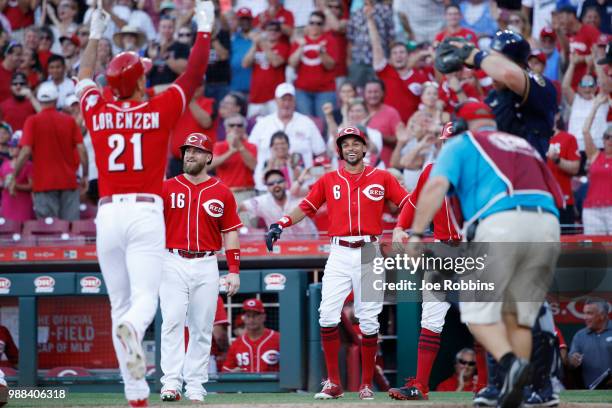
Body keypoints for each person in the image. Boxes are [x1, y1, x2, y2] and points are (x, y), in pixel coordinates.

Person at [73, 1, 213, 406]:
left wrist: (95, 34)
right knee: (143, 302)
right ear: (137, 84)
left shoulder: (97, 109)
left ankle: (136, 395)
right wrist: (204, 27)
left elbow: (83, 76)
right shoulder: (158, 107)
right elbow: (194, 73)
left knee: (119, 303)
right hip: (146, 211)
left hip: (108, 213)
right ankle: (133, 331)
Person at [408, 101, 562, 408]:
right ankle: (526, 389)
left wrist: (415, 234)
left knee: (475, 309)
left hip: (503, 221)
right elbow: (556, 192)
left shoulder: (463, 141)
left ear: (462, 126)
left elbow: (437, 184)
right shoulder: (520, 143)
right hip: (548, 224)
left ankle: (511, 363)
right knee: (518, 317)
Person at [265, 126, 409, 400]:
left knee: (368, 320)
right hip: (339, 251)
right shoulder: (330, 179)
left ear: (364, 148)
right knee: (327, 315)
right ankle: (333, 383)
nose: (351, 148)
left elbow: (407, 202)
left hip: (369, 248)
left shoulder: (382, 177)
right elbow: (307, 205)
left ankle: (366, 384)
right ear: (340, 150)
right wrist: (280, 223)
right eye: (346, 144)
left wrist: (401, 227)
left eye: (356, 143)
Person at [388, 123, 477, 401]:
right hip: (443, 249)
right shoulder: (431, 170)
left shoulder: (480, 169)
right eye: (445, 141)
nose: (448, 146)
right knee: (431, 317)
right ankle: (420, 385)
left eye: (455, 141)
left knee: (486, 318)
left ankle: (489, 383)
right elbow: (414, 203)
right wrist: (400, 226)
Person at [160, 133, 242, 402]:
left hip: (207, 261)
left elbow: (230, 233)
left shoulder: (222, 191)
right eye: (187, 151)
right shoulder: (167, 187)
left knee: (201, 326)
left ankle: (195, 384)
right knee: (172, 321)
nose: (190, 155)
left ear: (209, 157)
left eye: (196, 151)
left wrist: (233, 270)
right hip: (172, 260)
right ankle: (170, 383)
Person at [448, 30, 558, 159]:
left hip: (529, 169)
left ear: (518, 64)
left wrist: (477, 57)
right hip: (501, 169)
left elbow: (508, 74)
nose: (490, 68)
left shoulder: (540, 84)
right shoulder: (494, 96)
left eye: (496, 61)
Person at [7, 82, 87, 221]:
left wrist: (14, 176)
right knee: (70, 229)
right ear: (56, 100)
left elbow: (25, 151)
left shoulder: (32, 121)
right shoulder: (69, 121)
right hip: (68, 182)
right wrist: (85, 175)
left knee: (49, 231)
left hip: (43, 184)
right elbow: (81, 149)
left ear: (39, 100)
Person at [248, 82, 325, 192]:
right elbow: (250, 153)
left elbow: (321, 154)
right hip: (266, 188)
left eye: (290, 100)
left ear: (295, 101)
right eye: (283, 100)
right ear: (276, 101)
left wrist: (315, 180)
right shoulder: (262, 123)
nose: (286, 103)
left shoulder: (307, 123)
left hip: (300, 188)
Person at [368, 6, 429, 124]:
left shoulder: (421, 76)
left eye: (402, 52)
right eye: (395, 53)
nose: (398, 56)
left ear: (408, 55)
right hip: (388, 126)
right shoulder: (385, 71)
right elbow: (376, 44)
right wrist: (371, 21)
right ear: (390, 58)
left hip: (413, 128)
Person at [239, 169, 318, 239]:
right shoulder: (263, 201)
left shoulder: (297, 196)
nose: (276, 185)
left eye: (279, 181)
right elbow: (241, 207)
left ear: (286, 183)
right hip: (282, 250)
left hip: (308, 244)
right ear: (267, 188)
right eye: (271, 184)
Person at [289, 11, 338, 119]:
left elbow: (330, 65)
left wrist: (321, 52)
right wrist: (301, 47)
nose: (315, 26)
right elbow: (292, 63)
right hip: (302, 91)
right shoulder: (300, 41)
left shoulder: (330, 41)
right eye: (312, 23)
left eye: (318, 23)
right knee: (305, 123)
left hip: (325, 91)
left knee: (325, 123)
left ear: (323, 25)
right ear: (308, 24)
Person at [242, 20, 290, 118]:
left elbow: (276, 62)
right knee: (253, 127)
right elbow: (245, 64)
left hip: (274, 97)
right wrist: (255, 45)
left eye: (276, 30)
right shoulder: (257, 47)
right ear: (265, 31)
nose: (273, 32)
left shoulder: (283, 46)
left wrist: (262, 43)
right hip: (256, 96)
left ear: (280, 33)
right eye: (270, 30)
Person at [209, 114, 258, 207]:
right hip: (226, 194)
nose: (235, 128)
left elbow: (254, 166)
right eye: (232, 125)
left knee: (246, 222)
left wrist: (240, 146)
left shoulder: (251, 146)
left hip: (246, 193)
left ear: (244, 129)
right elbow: (209, 165)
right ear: (226, 129)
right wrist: (231, 152)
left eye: (239, 125)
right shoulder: (219, 146)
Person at [222, 298, 280, 373]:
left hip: (271, 384)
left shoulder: (278, 339)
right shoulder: (237, 344)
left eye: (255, 315)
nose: (251, 319)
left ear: (264, 317)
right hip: (246, 384)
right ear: (243, 318)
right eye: (248, 316)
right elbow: (225, 371)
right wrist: (232, 373)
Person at [581, 102, 612, 235]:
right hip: (591, 210)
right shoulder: (595, 155)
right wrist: (596, 105)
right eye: (607, 137)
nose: (610, 140)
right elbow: (585, 131)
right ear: (603, 140)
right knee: (594, 251)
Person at [568, 299, 611, 388]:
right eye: (584, 313)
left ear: (602, 315)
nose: (585, 317)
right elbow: (571, 362)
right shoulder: (580, 335)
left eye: (589, 313)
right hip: (589, 393)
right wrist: (573, 360)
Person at [556, 5, 601, 90]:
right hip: (570, 86)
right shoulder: (563, 36)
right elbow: (564, 55)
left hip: (589, 86)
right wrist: (558, 31)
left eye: (561, 17)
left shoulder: (589, 30)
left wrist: (581, 59)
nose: (559, 21)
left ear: (571, 16)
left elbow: (600, 56)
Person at [546, 120, 580, 227]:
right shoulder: (532, 139)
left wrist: (557, 160)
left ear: (556, 116)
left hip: (562, 200)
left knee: (565, 240)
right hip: (539, 200)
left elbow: (575, 168)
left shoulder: (568, 138)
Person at [362, 79, 401, 166]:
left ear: (382, 93)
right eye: (369, 92)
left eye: (376, 92)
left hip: (383, 165)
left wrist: (377, 136)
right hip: (359, 166)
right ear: (364, 93)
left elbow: (399, 139)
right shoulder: (357, 111)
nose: (372, 95)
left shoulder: (391, 113)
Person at [0, 137, 34, 222]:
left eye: (14, 146)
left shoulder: (29, 165)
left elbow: (32, 186)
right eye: (9, 146)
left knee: (23, 227)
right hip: (7, 203)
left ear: (21, 149)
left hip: (22, 204)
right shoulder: (4, 164)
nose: (10, 149)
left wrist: (16, 186)